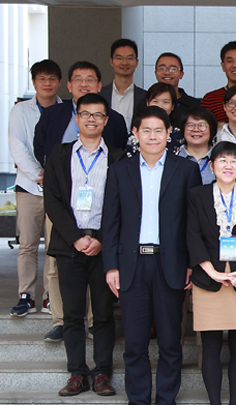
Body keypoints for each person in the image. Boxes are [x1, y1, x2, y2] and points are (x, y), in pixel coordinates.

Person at [102, 106, 202, 405]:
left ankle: (166, 399)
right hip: (131, 265)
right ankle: (139, 400)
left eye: (159, 130)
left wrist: (191, 263)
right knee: (134, 342)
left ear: (169, 133)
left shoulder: (186, 170)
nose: (153, 136)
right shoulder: (119, 170)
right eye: (146, 130)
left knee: (171, 341)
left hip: (169, 264)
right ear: (135, 133)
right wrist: (111, 266)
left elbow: (193, 223)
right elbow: (111, 222)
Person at [43, 93, 122, 397]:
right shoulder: (59, 154)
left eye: (98, 114)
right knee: (73, 314)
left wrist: (100, 239)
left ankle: (102, 372)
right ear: (77, 118)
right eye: (86, 113)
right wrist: (76, 237)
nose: (91, 119)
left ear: (106, 120)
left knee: (103, 314)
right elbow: (52, 200)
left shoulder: (117, 158)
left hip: (104, 247)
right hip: (69, 245)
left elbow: (121, 205)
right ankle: (77, 372)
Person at [186, 141, 236, 405]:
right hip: (208, 279)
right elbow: (192, 236)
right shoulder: (197, 195)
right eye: (222, 160)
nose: (228, 165)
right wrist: (210, 271)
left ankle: (234, 402)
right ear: (211, 166)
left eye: (234, 160)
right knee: (210, 347)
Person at [9, 60, 61, 323]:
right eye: (42, 78)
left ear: (59, 82)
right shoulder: (20, 110)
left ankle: (51, 296)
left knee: (54, 246)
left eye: (51, 78)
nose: (47, 83)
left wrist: (53, 177)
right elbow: (17, 146)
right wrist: (39, 174)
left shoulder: (67, 110)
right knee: (27, 245)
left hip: (58, 189)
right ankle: (26, 295)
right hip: (29, 186)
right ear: (34, 82)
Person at [33, 61, 128, 165]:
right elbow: (39, 147)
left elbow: (118, 151)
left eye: (90, 79)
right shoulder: (51, 114)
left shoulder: (115, 120)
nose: (84, 84)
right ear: (69, 86)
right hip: (61, 174)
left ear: (99, 86)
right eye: (78, 79)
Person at [125, 82, 185, 159]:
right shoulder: (136, 133)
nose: (160, 106)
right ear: (147, 103)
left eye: (166, 102)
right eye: (155, 101)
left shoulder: (179, 135)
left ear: (172, 106)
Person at [100, 39, 145, 131]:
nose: (124, 63)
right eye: (119, 58)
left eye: (130, 58)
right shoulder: (99, 95)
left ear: (136, 62)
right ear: (111, 62)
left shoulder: (146, 97)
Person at [153, 52, 201, 123]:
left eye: (173, 69)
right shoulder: (144, 103)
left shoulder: (195, 106)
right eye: (162, 68)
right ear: (156, 73)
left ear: (181, 74)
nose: (167, 72)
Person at [177, 108, 219, 185]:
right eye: (190, 125)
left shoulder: (220, 160)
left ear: (211, 129)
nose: (196, 129)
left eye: (202, 125)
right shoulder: (173, 159)